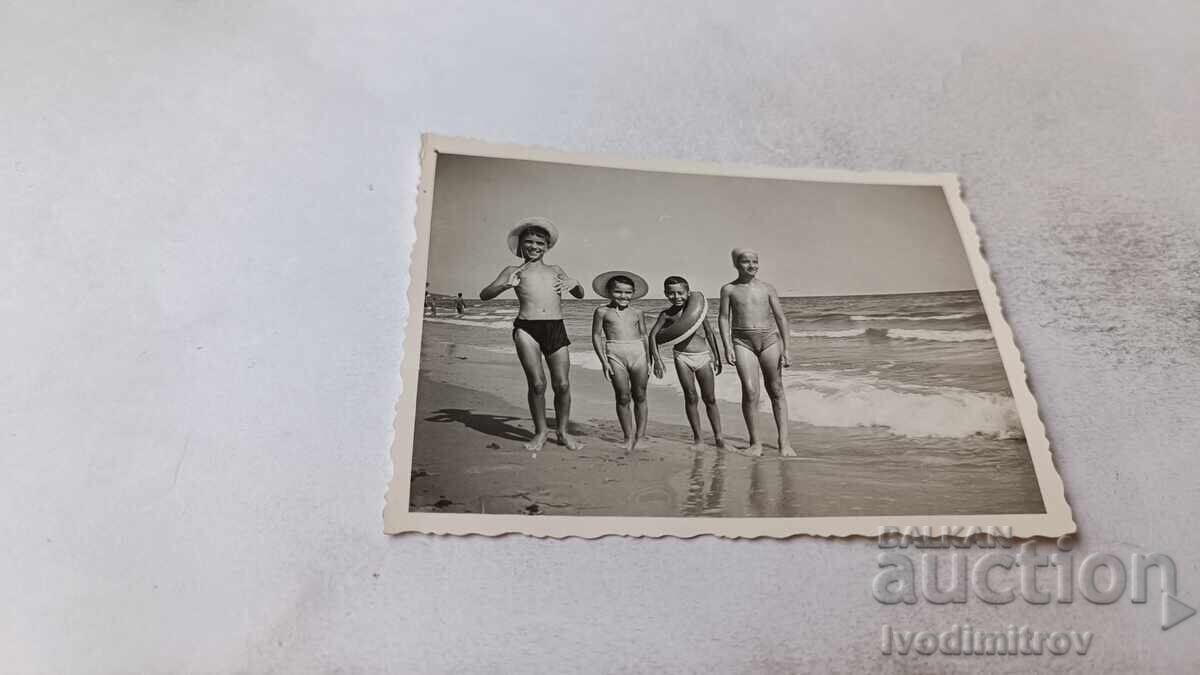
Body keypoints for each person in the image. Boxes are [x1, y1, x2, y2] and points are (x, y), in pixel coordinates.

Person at [480, 218, 585, 451]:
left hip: (556, 328)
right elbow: (484, 295)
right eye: (529, 242)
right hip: (527, 329)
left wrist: (575, 284)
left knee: (563, 385)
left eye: (539, 242)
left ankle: (563, 432)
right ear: (521, 245)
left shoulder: (556, 270)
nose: (534, 246)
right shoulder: (512, 271)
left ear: (547, 246)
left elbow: (579, 294)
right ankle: (540, 433)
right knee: (537, 384)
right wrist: (504, 286)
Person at [718, 249, 795, 457]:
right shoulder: (729, 289)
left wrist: (786, 348)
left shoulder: (767, 288)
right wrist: (726, 346)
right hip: (742, 342)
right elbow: (724, 318)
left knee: (776, 388)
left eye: (755, 261)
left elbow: (781, 318)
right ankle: (755, 443)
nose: (751, 265)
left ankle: (784, 442)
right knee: (751, 391)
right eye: (746, 262)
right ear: (736, 264)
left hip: (770, 341)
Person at [648, 276, 725, 450]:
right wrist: (657, 360)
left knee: (710, 398)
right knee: (691, 397)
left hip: (703, 356)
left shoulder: (696, 310)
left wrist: (717, 356)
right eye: (671, 293)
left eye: (680, 293)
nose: (676, 297)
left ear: (688, 293)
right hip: (682, 357)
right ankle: (698, 439)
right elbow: (652, 336)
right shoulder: (666, 314)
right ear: (666, 294)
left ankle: (719, 437)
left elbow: (709, 333)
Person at [590, 271, 651, 451]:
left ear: (633, 293)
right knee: (623, 396)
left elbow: (645, 335)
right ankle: (628, 436)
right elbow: (596, 335)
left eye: (628, 292)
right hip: (614, 353)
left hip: (638, 353)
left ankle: (641, 436)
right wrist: (604, 361)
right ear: (609, 292)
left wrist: (649, 359)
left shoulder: (637, 312)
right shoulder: (602, 311)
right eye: (618, 292)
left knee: (640, 395)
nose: (623, 296)